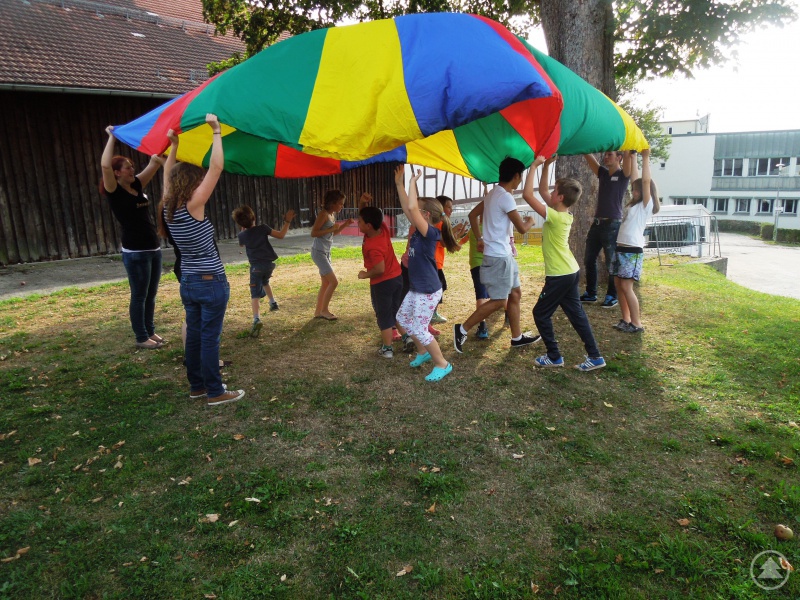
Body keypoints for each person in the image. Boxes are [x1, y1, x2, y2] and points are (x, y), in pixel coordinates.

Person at [159, 114, 245, 406]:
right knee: (209, 338)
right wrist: (216, 132)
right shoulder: (194, 205)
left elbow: (166, 176)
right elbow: (217, 167)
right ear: (193, 183)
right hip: (210, 282)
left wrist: (174, 147)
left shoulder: (168, 206)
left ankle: (197, 386)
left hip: (189, 281)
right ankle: (215, 391)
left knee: (195, 335)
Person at [524, 155, 606, 371]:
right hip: (570, 272)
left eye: (554, 191)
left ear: (559, 197)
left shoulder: (556, 217)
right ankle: (595, 356)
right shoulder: (564, 214)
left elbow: (527, 194)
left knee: (540, 313)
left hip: (560, 275)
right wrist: (547, 166)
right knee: (576, 315)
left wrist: (533, 166)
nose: (549, 193)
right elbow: (542, 192)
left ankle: (554, 356)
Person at [453, 157, 540, 353]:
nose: (519, 182)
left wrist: (480, 238)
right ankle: (462, 329)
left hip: (503, 255)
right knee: (500, 300)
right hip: (499, 257)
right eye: (520, 178)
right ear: (516, 176)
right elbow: (522, 228)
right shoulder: (505, 197)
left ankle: (517, 337)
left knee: (515, 294)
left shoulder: (493, 194)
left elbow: (472, 215)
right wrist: (531, 221)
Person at [100, 126, 165, 349]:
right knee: (139, 295)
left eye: (132, 167)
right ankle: (140, 337)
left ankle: (150, 331)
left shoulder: (137, 185)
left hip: (153, 248)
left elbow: (155, 163)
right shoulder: (113, 191)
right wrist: (112, 137)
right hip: (135, 252)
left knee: (151, 294)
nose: (132, 170)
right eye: (128, 168)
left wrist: (167, 140)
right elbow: (105, 165)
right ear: (117, 173)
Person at [394, 166, 458, 382]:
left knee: (419, 328)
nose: (413, 212)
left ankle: (442, 363)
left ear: (426, 215)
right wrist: (399, 184)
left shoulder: (430, 232)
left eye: (418, 211)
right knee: (402, 318)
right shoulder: (420, 227)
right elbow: (408, 206)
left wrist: (413, 182)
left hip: (428, 290)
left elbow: (411, 206)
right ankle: (422, 352)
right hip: (417, 288)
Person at [612, 148, 659, 334]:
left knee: (626, 286)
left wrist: (645, 157)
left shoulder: (646, 206)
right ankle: (626, 319)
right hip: (620, 248)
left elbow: (645, 180)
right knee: (618, 284)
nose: (634, 191)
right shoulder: (634, 204)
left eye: (636, 189)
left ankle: (637, 323)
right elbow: (636, 178)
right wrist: (633, 157)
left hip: (632, 251)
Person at [581, 150, 635, 308]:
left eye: (609, 154)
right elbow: (588, 156)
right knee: (589, 259)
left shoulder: (623, 175)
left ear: (619, 158)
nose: (605, 157)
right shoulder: (603, 173)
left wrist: (627, 149)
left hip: (612, 225)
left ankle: (612, 295)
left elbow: (628, 157)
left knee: (611, 262)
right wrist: (584, 144)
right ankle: (591, 294)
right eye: (605, 155)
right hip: (597, 224)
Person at [232, 204, 296, 337]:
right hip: (269, 265)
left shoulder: (242, 235)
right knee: (265, 281)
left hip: (256, 268)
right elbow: (281, 235)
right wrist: (287, 221)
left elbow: (242, 243)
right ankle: (273, 303)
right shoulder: (263, 228)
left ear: (239, 223)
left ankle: (256, 319)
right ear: (254, 217)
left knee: (254, 294)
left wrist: (244, 229)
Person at [357, 205, 409, 358]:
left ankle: (387, 349)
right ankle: (407, 337)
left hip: (383, 283)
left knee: (384, 315)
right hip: (397, 278)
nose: (358, 223)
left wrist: (365, 274)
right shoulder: (383, 229)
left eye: (359, 222)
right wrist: (362, 203)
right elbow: (376, 216)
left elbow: (380, 269)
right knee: (396, 311)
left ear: (368, 226)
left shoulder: (373, 246)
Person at [311, 190, 354, 320]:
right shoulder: (323, 214)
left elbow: (332, 234)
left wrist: (345, 225)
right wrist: (331, 229)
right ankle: (324, 310)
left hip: (326, 252)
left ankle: (318, 312)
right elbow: (314, 233)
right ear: (332, 203)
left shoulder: (332, 215)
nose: (342, 206)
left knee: (325, 283)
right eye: (340, 204)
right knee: (333, 282)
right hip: (319, 252)